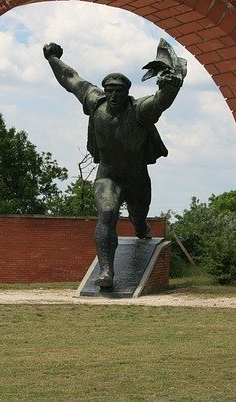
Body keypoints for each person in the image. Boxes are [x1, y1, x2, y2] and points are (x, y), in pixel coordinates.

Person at [42, 41, 184, 288]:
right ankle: (107, 272)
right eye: (110, 90)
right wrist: (53, 59)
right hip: (108, 176)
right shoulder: (95, 103)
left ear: (126, 92)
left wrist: (170, 88)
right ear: (105, 91)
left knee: (138, 219)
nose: (114, 95)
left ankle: (141, 226)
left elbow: (161, 101)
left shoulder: (139, 110)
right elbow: (71, 79)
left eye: (119, 91)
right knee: (106, 215)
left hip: (137, 177)